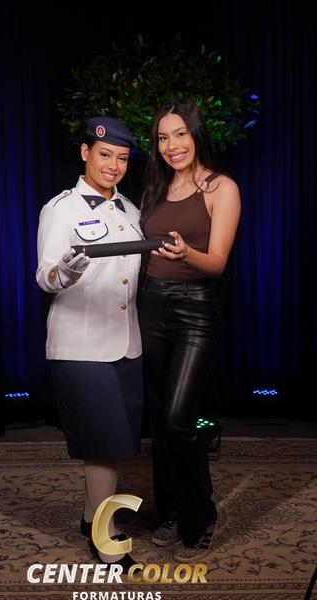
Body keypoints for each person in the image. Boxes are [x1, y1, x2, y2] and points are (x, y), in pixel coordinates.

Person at [36, 116, 143, 571]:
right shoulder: (60, 209)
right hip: (80, 346)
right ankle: (106, 537)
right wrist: (66, 270)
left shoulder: (130, 210)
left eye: (122, 158)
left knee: (114, 441)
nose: (113, 166)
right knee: (102, 444)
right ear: (85, 153)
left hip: (127, 343)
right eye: (105, 155)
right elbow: (46, 277)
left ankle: (88, 515)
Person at [139, 100, 241, 561]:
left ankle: (201, 516)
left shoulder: (222, 188)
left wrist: (186, 255)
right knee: (159, 418)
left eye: (179, 134)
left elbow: (216, 263)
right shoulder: (155, 188)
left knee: (180, 417)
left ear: (196, 134)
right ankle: (172, 511)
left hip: (195, 310)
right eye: (163, 137)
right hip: (151, 305)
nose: (172, 145)